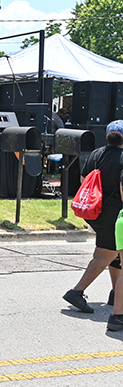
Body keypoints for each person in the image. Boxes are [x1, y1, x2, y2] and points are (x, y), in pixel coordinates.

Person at [63, 120, 123, 314]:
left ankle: (116, 293)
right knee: (105, 254)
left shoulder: (97, 153)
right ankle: (76, 291)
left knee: (115, 254)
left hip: (95, 211)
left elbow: (84, 179)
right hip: (113, 214)